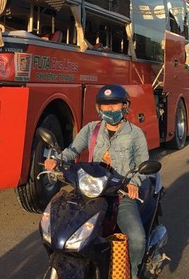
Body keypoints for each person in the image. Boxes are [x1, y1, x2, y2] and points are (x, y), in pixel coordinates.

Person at [44, 84, 149, 279]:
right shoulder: (91, 129)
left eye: (115, 105)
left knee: (137, 238)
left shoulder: (135, 134)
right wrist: (57, 160)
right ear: (98, 108)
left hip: (120, 193)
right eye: (105, 106)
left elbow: (143, 164)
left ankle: (133, 273)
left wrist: (134, 183)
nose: (110, 110)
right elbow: (72, 151)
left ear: (125, 106)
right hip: (91, 189)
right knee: (65, 226)